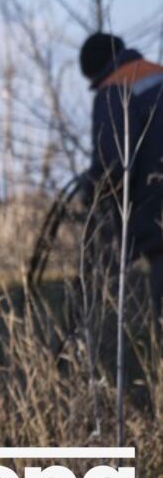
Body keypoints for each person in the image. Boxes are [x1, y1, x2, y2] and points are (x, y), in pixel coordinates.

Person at [77, 32, 163, 313]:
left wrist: (89, 189)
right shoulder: (157, 74)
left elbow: (113, 164)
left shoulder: (114, 90)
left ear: (95, 72)